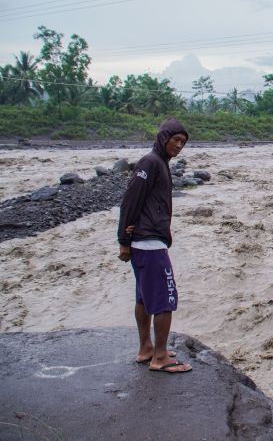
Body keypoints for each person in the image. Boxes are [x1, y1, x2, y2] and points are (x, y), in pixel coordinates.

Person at [117, 118, 192, 373]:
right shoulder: (150, 163)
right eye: (176, 140)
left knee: (144, 298)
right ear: (163, 138)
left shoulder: (159, 163)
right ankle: (160, 357)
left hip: (146, 241)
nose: (179, 146)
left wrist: (127, 241)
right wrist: (123, 240)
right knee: (164, 299)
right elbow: (129, 201)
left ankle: (146, 348)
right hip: (148, 243)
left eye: (183, 142)